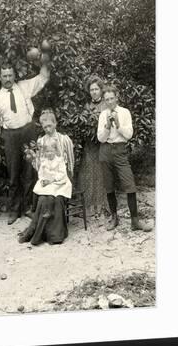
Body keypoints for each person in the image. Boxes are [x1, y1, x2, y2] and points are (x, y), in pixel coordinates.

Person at [0, 61, 50, 225]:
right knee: (13, 173)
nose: (8, 78)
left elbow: (43, 78)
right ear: (0, 77)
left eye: (10, 75)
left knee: (30, 171)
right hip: (10, 136)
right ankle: (14, 210)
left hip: (28, 131)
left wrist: (45, 56)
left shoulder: (24, 86)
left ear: (15, 75)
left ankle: (28, 208)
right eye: (5, 76)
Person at [97, 85, 152, 232]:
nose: (109, 102)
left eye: (111, 98)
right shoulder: (102, 114)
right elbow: (100, 138)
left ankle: (135, 221)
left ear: (117, 97)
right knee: (109, 186)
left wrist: (118, 125)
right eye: (106, 99)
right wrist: (108, 125)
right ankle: (114, 218)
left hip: (120, 150)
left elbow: (129, 135)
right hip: (106, 150)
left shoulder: (125, 112)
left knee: (130, 184)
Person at [18, 109, 74, 245]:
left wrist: (69, 178)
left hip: (61, 178)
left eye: (50, 126)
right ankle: (36, 233)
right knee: (43, 199)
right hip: (47, 179)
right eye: (45, 127)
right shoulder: (41, 141)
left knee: (56, 199)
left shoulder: (64, 139)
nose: (47, 129)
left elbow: (71, 162)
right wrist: (32, 158)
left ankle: (55, 235)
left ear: (55, 124)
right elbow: (40, 166)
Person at [77, 75, 108, 217]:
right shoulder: (86, 106)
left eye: (96, 89)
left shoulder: (106, 106)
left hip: (102, 144)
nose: (94, 92)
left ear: (101, 90)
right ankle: (88, 207)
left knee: (101, 173)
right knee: (89, 172)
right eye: (91, 90)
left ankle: (102, 207)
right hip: (89, 145)